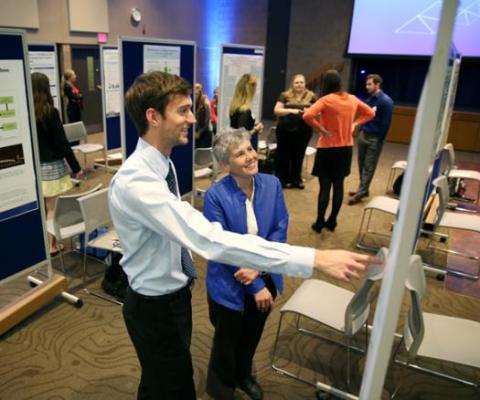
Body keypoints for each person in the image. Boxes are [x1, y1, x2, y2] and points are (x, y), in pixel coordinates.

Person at [108, 70, 379, 400]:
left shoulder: (162, 165)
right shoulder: (137, 182)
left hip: (174, 296)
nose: (192, 118)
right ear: (153, 117)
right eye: (183, 110)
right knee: (174, 387)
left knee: (158, 383)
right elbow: (210, 239)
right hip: (154, 307)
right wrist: (314, 258)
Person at [204, 129, 286, 400]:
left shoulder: (272, 184)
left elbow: (279, 229)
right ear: (226, 165)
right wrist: (255, 284)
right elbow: (223, 247)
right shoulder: (215, 196)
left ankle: (243, 374)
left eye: (250, 149)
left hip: (265, 274)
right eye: (240, 154)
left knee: (252, 334)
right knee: (226, 342)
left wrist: (260, 271)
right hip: (229, 282)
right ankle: (221, 388)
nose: (250, 156)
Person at [303, 70, 374, 234]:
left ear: (326, 84)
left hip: (327, 149)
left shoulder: (325, 100)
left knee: (324, 188)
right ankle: (332, 221)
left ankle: (319, 222)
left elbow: (307, 115)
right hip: (345, 149)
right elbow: (370, 113)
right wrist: (355, 124)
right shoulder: (352, 99)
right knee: (339, 185)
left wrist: (321, 129)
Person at [31, 72, 84, 256]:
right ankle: (51, 246)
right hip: (53, 168)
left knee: (45, 208)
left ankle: (46, 243)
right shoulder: (50, 112)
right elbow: (62, 143)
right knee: (53, 209)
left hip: (36, 168)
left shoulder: (28, 112)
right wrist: (76, 167)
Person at [348, 74, 394, 205]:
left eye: (369, 84)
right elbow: (364, 116)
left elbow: (386, 123)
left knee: (369, 166)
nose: (366, 86)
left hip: (375, 138)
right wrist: (361, 129)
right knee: (362, 164)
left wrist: (380, 139)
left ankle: (361, 192)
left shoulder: (386, 101)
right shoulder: (369, 99)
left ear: (377, 85)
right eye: (366, 84)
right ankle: (363, 189)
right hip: (364, 135)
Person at [274, 74, 317, 189]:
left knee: (298, 155)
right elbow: (277, 110)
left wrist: (310, 111)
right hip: (285, 130)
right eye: (296, 82)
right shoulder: (285, 95)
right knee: (284, 155)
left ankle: (296, 179)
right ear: (292, 84)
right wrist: (291, 110)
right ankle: (284, 179)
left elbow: (318, 112)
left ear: (305, 83)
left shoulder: (311, 96)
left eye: (301, 82)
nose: (299, 85)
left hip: (304, 131)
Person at [229, 73, 263, 150]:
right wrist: (256, 129)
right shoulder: (244, 111)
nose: (256, 91)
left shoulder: (236, 107)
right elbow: (241, 135)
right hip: (245, 147)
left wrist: (253, 124)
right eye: (255, 88)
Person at [194, 83, 213, 148]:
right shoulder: (194, 103)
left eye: (196, 94)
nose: (195, 96)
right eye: (194, 94)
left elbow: (207, 121)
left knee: (203, 152)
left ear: (200, 92)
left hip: (206, 132)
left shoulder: (205, 102)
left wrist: (199, 132)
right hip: (197, 133)